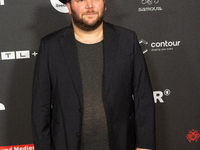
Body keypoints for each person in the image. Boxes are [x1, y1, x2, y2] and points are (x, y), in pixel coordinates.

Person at [32, 0, 155, 150]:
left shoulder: (128, 40)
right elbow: (40, 106)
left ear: (104, 4)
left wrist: (145, 146)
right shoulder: (50, 46)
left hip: (120, 143)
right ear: (69, 7)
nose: (89, 5)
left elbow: (144, 98)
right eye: (81, 0)